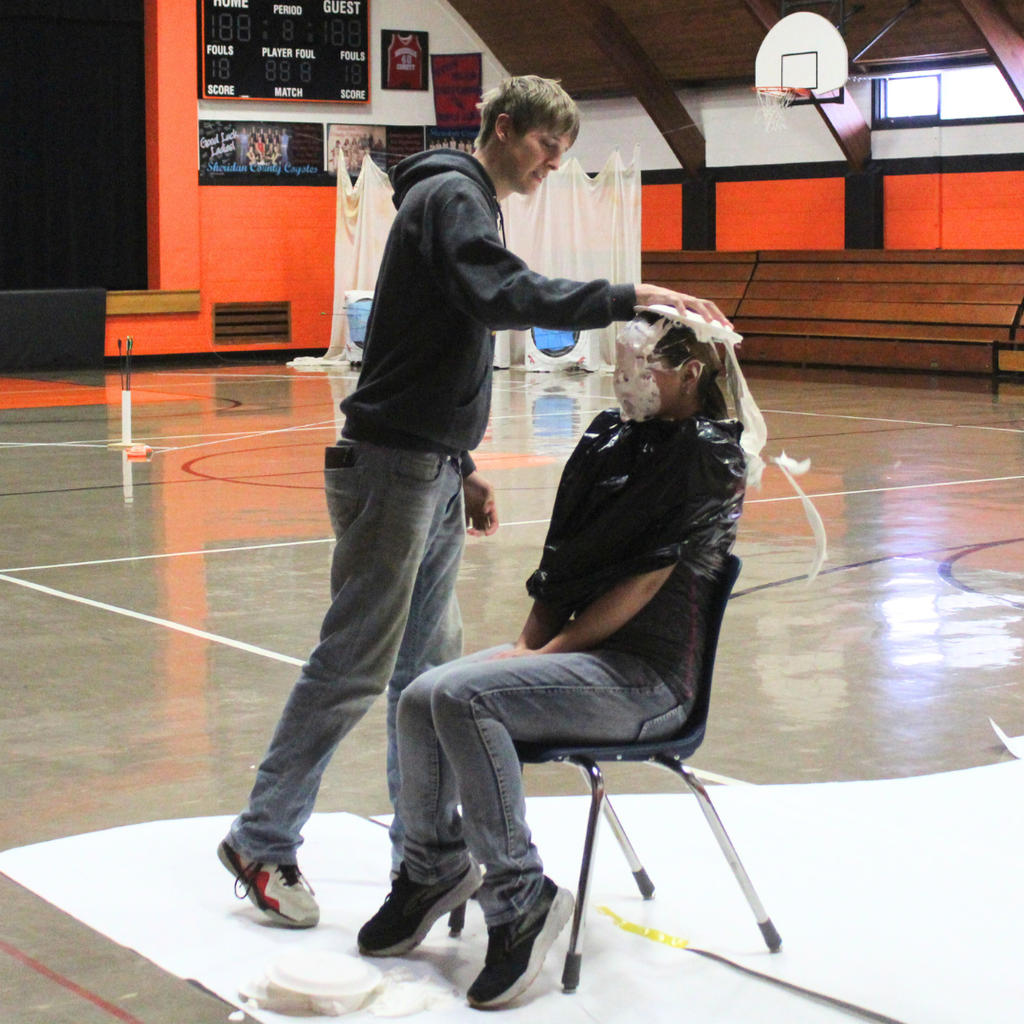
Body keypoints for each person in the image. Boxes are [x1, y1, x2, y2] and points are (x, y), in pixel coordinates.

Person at [218, 75, 733, 931]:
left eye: (562, 156)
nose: (549, 167)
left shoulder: (461, 202)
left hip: (426, 467)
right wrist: (629, 294)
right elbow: (504, 295)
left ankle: (425, 861)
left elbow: (440, 341)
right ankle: (262, 836)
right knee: (355, 665)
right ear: (503, 127)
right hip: (392, 470)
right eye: (544, 148)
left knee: (424, 677)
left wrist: (460, 462)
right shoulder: (455, 196)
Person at [357, 309, 746, 1009]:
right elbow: (564, 565)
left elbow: (644, 581)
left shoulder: (706, 458)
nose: (627, 380)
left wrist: (544, 655)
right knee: (422, 695)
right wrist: (528, 646)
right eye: (620, 364)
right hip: (590, 664)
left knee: (467, 697)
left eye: (643, 366)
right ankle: (433, 866)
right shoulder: (611, 441)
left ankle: (520, 896)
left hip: (647, 680)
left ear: (691, 373)